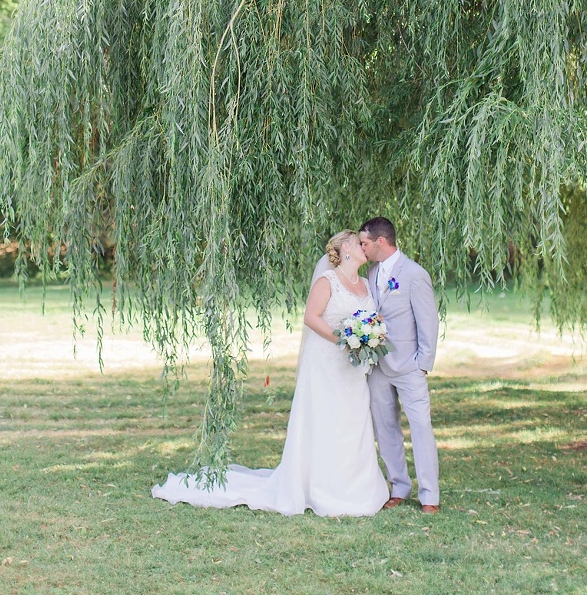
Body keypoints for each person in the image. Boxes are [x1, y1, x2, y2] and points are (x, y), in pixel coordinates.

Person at [152, 231, 390, 516]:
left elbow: (371, 319)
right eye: (358, 241)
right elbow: (311, 317)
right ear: (346, 249)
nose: (365, 246)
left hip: (353, 369)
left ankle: (357, 486)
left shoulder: (364, 283)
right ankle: (320, 486)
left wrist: (368, 336)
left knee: (353, 421)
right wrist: (344, 339)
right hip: (327, 364)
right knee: (327, 419)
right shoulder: (328, 281)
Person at [359, 216, 440, 514]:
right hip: (378, 366)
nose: (361, 248)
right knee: (385, 427)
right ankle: (399, 486)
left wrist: (422, 364)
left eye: (364, 243)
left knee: (420, 428)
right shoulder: (371, 272)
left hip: (409, 366)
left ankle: (430, 495)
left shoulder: (414, 274)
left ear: (381, 241)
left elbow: (428, 321)